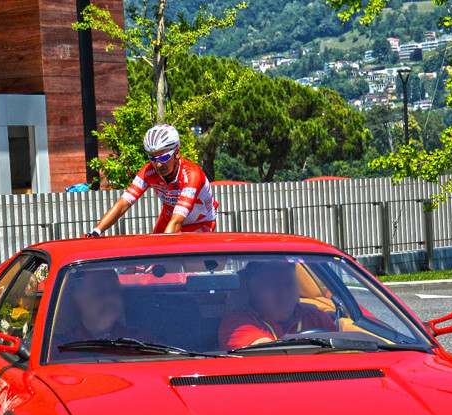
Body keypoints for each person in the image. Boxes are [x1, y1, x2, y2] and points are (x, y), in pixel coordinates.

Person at [88, 125, 217, 236]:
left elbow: (177, 221)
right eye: (153, 158)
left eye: (164, 157)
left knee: (188, 262)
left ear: (177, 153)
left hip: (200, 221)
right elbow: (123, 204)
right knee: (157, 263)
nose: (159, 165)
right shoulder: (149, 171)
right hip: (169, 218)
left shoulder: (192, 175)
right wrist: (96, 231)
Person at [218, 260, 336, 350]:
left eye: (289, 283)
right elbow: (266, 353)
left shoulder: (318, 318)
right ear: (252, 290)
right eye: (273, 285)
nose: (284, 293)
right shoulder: (237, 322)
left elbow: (344, 349)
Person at [51, 268, 148, 354]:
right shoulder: (56, 349)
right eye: (100, 292)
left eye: (114, 290)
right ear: (78, 298)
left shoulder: (145, 343)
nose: (110, 298)